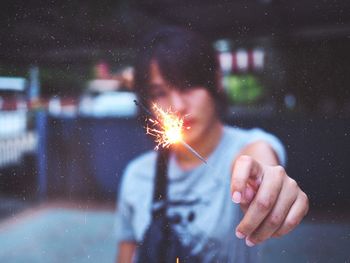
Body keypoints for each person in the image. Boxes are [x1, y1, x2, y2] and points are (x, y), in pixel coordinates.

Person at [115, 26, 309, 263]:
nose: (177, 105)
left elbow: (258, 160)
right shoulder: (137, 175)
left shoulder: (249, 146)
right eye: (160, 93)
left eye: (187, 85)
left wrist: (265, 184)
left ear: (215, 80)